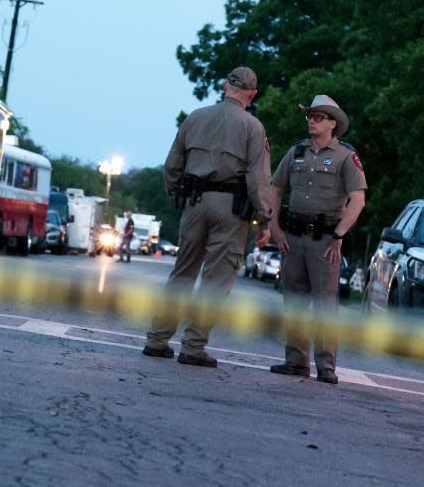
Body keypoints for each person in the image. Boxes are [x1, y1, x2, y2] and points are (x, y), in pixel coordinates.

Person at [143, 66, 274, 367]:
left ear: (225, 85)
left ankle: (157, 340)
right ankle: (192, 347)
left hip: (195, 202)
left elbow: (171, 165)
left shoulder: (195, 118)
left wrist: (178, 192)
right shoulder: (253, 127)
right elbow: (258, 179)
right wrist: (264, 221)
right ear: (252, 94)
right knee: (216, 280)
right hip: (230, 208)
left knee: (183, 272)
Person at [268, 95, 367, 384]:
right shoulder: (296, 152)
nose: (311, 120)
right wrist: (274, 227)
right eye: (310, 116)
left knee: (325, 305)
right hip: (293, 237)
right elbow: (275, 189)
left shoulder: (346, 157)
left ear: (333, 123)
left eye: (318, 117)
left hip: (325, 241)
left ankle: (326, 367)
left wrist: (339, 235)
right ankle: (296, 362)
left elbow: (358, 200)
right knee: (294, 302)